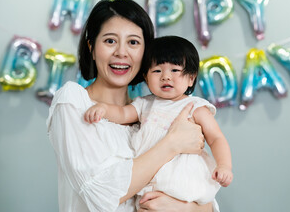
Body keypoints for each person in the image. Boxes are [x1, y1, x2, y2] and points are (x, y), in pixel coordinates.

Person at [47, 0, 219, 212]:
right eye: (110, 41)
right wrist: (172, 143)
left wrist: (185, 208)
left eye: (133, 42)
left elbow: (203, 197)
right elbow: (99, 193)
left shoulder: (152, 111)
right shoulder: (73, 101)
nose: (121, 52)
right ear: (91, 47)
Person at [85, 35, 233, 207]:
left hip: (182, 181)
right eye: (157, 71)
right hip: (147, 180)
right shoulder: (145, 104)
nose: (166, 77)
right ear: (146, 77)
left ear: (191, 78)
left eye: (175, 70)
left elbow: (216, 138)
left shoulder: (195, 107)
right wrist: (103, 109)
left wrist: (224, 166)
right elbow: (123, 113)